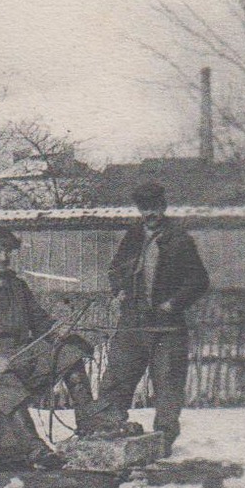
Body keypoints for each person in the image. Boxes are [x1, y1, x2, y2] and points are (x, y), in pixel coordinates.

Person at [0, 227, 101, 472]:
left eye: (8, 252)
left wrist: (55, 328)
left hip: (18, 355)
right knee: (7, 383)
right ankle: (34, 447)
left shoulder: (17, 286)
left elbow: (38, 320)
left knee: (70, 353)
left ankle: (89, 423)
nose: (3, 258)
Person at [90, 181, 209, 450]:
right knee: (118, 376)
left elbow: (199, 280)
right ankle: (109, 427)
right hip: (132, 322)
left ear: (163, 206)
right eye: (145, 208)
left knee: (167, 383)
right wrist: (118, 290)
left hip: (166, 325)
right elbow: (115, 270)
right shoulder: (132, 238)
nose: (150, 213)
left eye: (155, 207)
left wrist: (173, 304)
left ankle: (164, 440)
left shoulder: (180, 240)